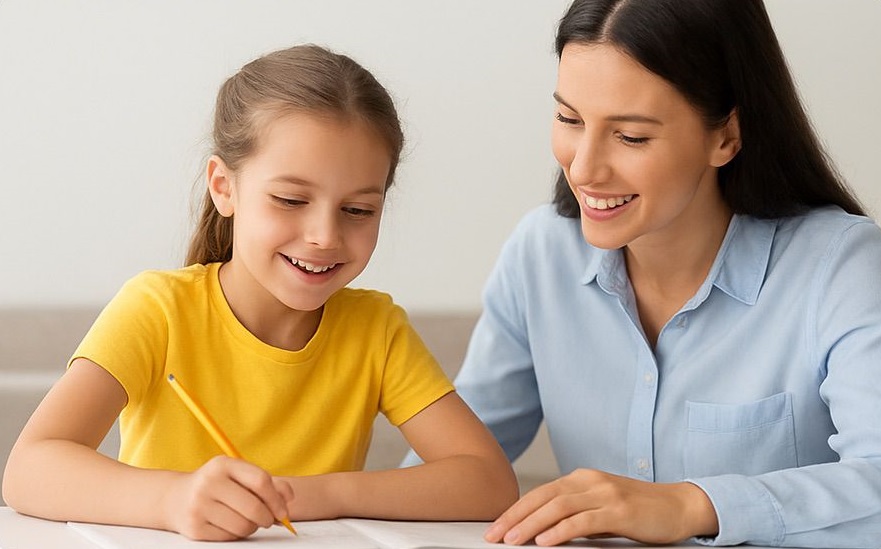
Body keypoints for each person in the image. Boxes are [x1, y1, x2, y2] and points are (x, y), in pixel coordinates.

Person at [1, 44, 518, 541]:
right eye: (291, 199)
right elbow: (29, 469)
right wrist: (173, 500)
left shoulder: (376, 330)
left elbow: (488, 482)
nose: (325, 236)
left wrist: (313, 495)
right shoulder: (157, 309)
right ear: (224, 187)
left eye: (359, 210)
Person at [417, 0, 881, 547]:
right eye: (569, 119)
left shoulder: (840, 265)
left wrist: (692, 505)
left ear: (726, 136)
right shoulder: (541, 255)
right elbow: (457, 467)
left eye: (631, 136)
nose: (583, 168)